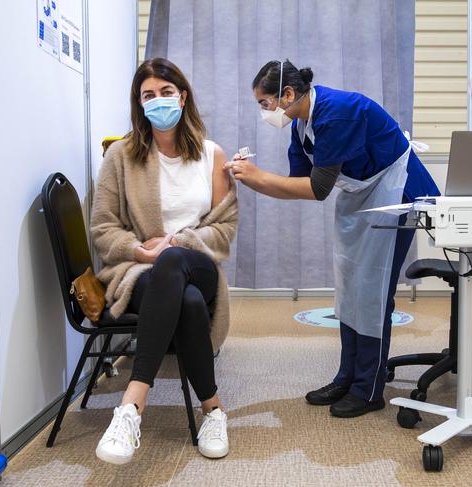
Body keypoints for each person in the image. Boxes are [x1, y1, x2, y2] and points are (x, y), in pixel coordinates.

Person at [225, 60, 439, 418]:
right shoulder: (301, 124)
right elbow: (297, 185)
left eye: (264, 104)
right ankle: (347, 377)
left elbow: (318, 188)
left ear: (288, 94)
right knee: (351, 288)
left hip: (395, 191)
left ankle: (369, 389)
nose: (264, 113)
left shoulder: (336, 113)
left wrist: (258, 176)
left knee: (372, 293)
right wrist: (254, 179)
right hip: (363, 195)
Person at [90, 58, 238, 464]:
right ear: (139, 104)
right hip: (140, 273)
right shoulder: (120, 156)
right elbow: (103, 229)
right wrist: (140, 251)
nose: (158, 101)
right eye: (148, 95)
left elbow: (223, 229)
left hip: (199, 264)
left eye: (166, 92)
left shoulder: (212, 154)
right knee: (187, 303)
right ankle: (213, 410)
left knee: (175, 261)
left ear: (183, 96)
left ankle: (132, 404)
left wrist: (175, 241)